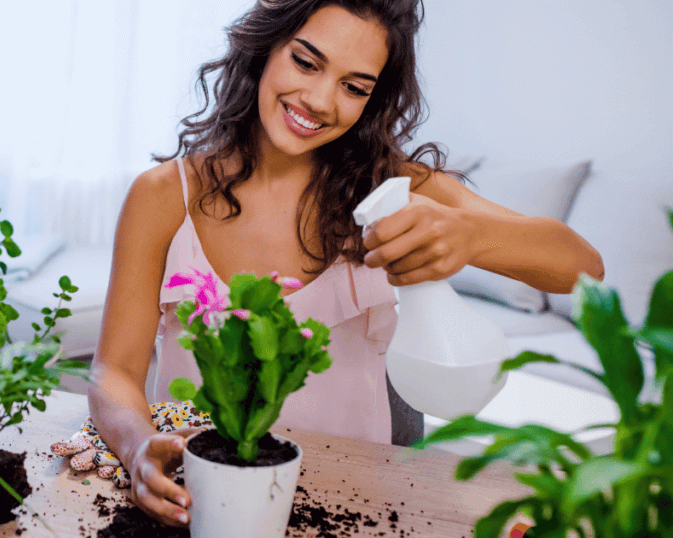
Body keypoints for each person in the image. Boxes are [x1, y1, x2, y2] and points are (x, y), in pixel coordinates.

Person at [87, 0, 604, 528]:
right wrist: (135, 446)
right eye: (306, 63)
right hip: (208, 506)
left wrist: (473, 236)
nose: (318, 100)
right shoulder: (163, 195)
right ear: (265, 47)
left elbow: (584, 270)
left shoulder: (392, 189)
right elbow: (115, 372)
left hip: (358, 508)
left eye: (354, 87)